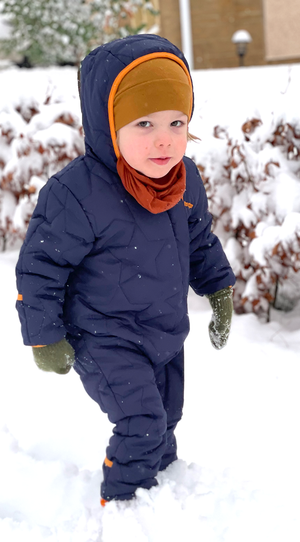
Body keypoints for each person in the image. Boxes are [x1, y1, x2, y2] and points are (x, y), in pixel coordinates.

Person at [15, 34, 236, 505]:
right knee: (141, 423)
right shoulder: (76, 194)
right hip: (103, 336)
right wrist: (43, 335)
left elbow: (199, 241)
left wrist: (219, 292)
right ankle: (124, 507)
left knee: (167, 417)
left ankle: (165, 486)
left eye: (178, 122)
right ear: (106, 125)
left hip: (165, 331)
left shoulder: (185, 179)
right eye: (144, 123)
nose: (164, 138)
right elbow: (41, 268)